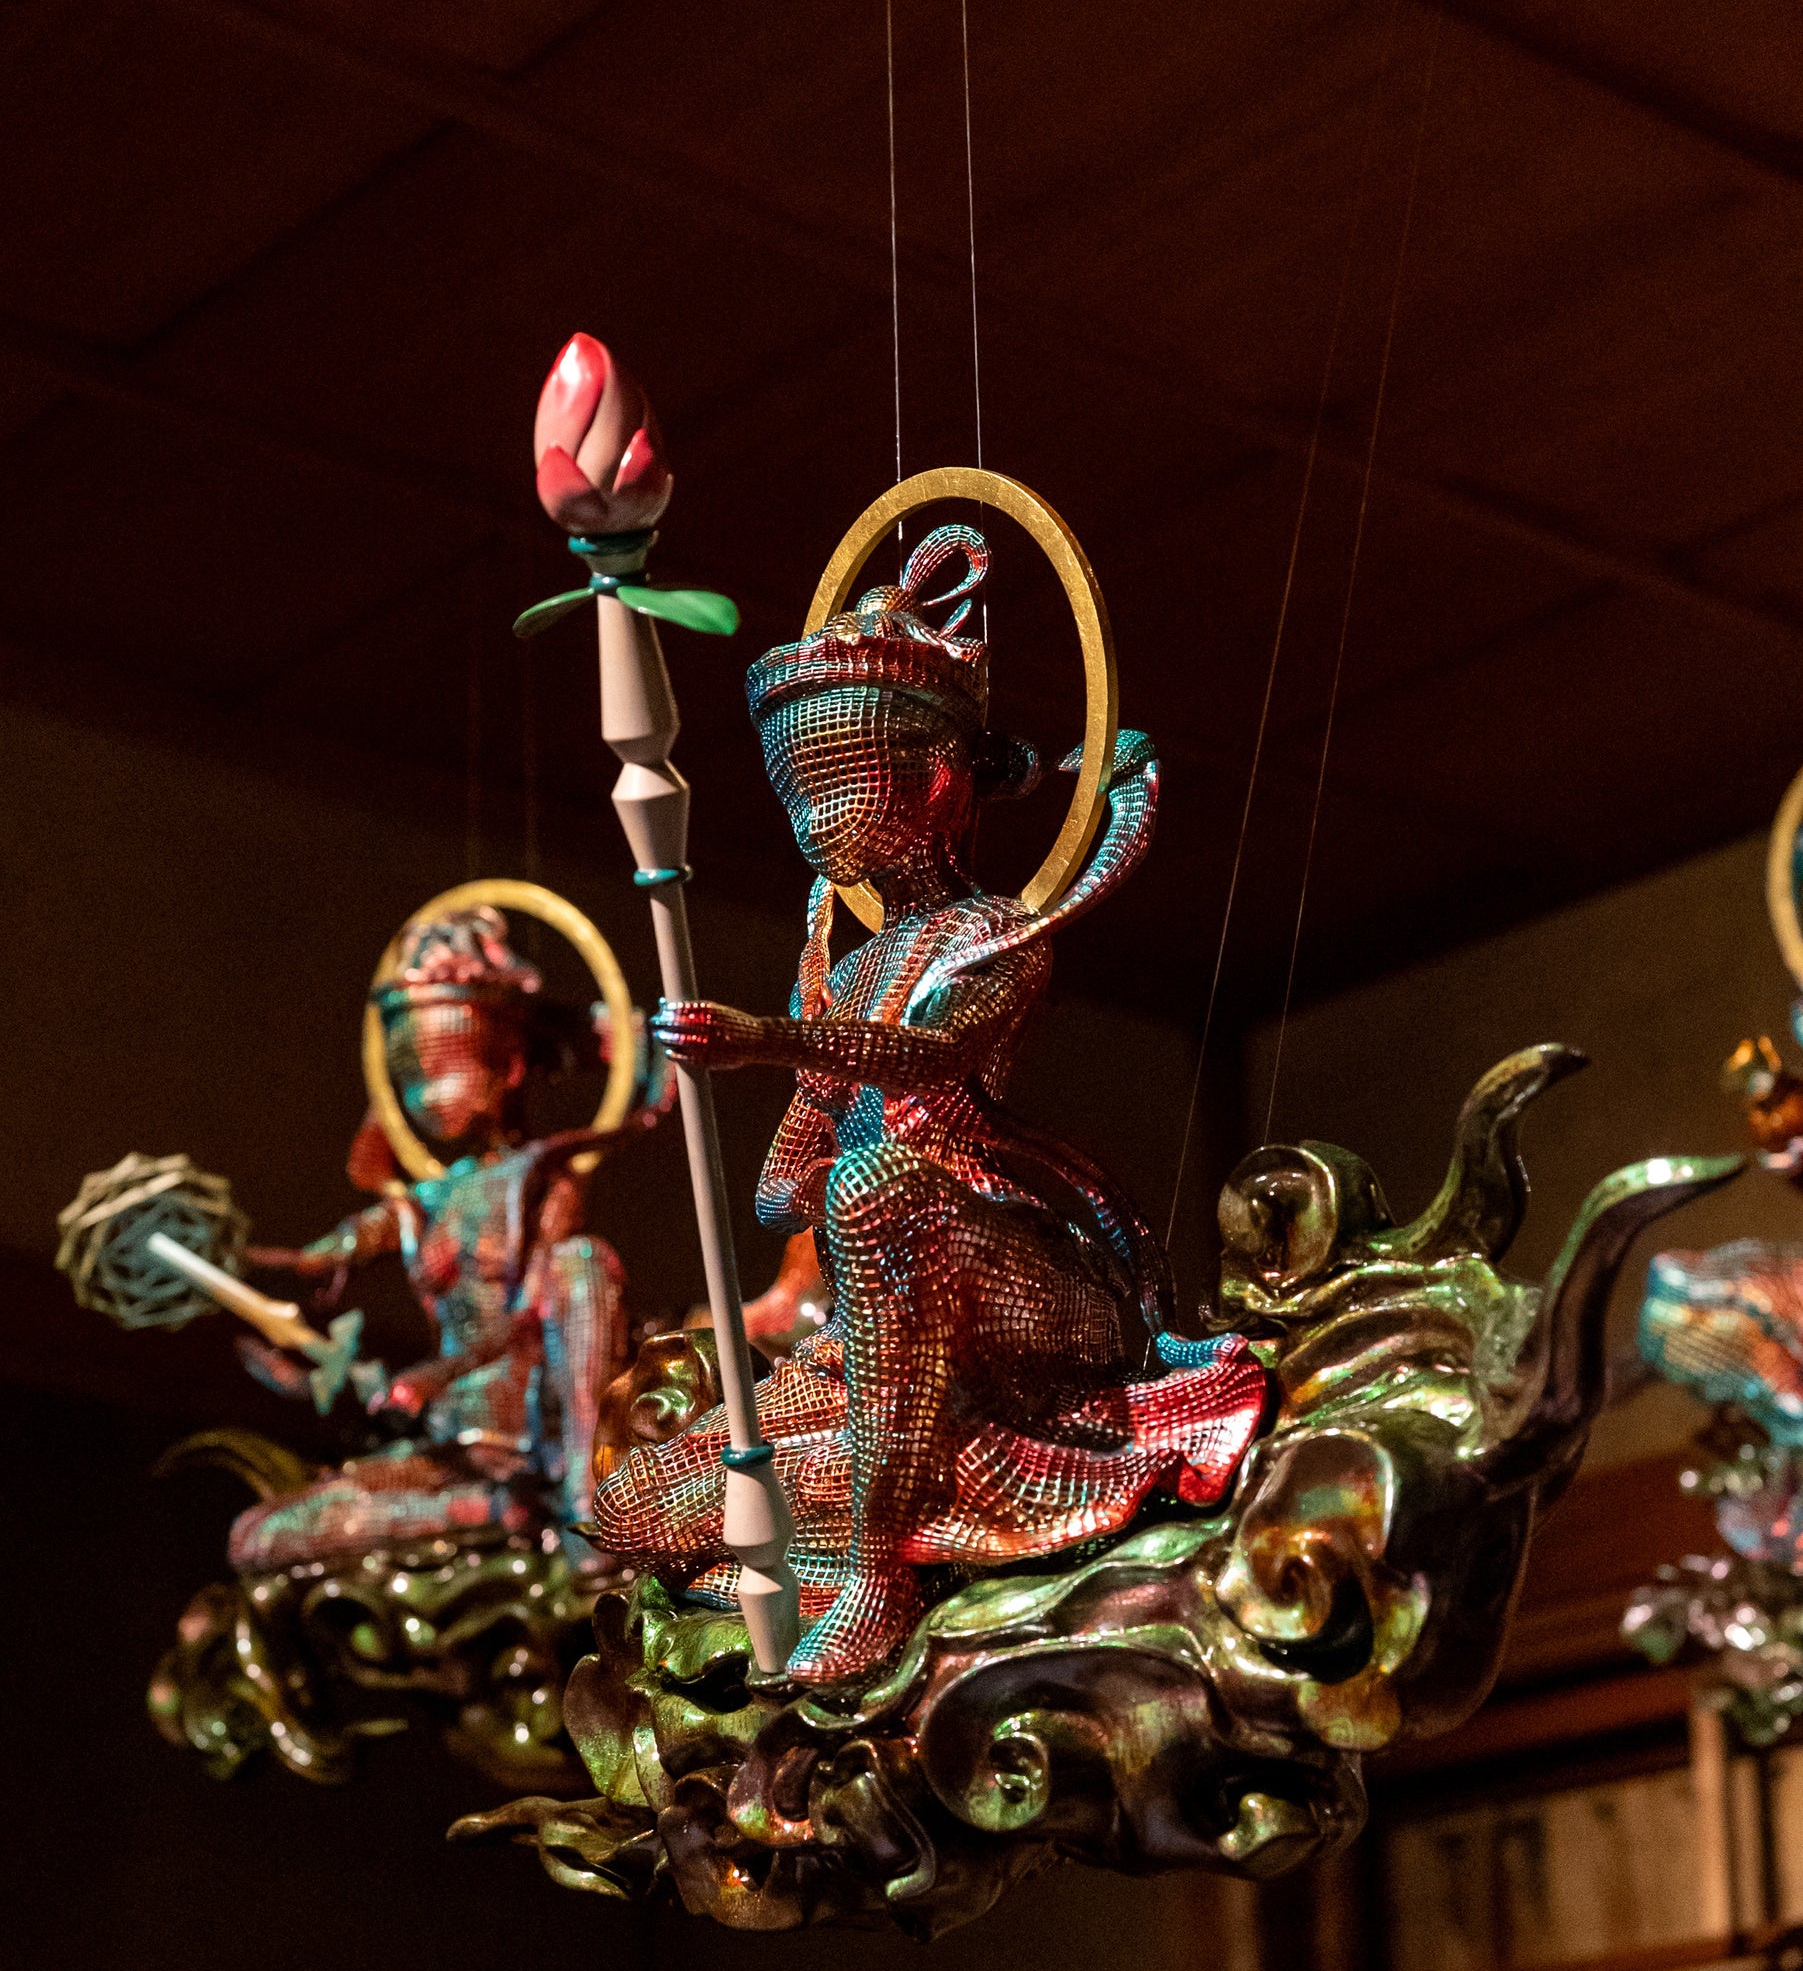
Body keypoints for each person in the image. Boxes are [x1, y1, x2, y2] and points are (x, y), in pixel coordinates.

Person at [595, 525, 1269, 1684]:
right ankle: (899, 1488)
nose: (819, 820)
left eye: (840, 782)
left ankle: (876, 1568)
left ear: (939, 774)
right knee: (631, 1504)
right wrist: (779, 1097)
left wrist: (768, 1042)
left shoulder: (998, 937)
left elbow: (934, 1056)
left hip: (1011, 1274)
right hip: (871, 1321)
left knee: (877, 1187)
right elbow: (779, 1197)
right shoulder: (845, 971)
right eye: (803, 793)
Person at [230, 903, 670, 1575]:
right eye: (413, 1071)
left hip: (524, 1431)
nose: (431, 1095)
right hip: (446, 1447)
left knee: (580, 1262)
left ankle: (583, 1498)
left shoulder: (541, 1178)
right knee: (257, 1537)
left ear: (509, 1066)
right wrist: (215, 1256)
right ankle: (487, 1512)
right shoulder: (423, 1203)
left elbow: (533, 1318)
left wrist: (434, 1375)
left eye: (448, 1064)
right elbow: (310, 1262)